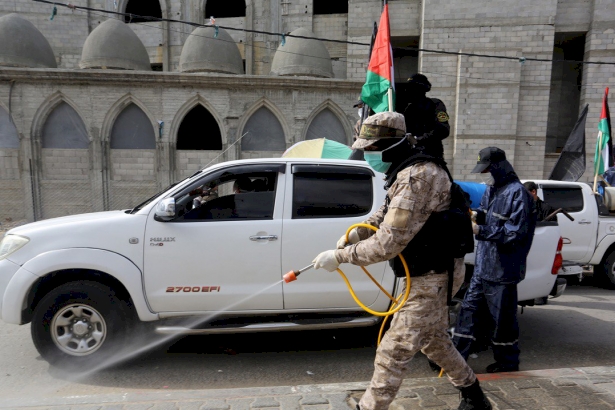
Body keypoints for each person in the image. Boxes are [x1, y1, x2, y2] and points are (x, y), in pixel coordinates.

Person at [312, 112, 491, 410]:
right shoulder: (404, 171)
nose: (368, 154)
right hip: (428, 272)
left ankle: (369, 407)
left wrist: (340, 257)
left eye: (372, 148)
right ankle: (474, 395)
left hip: (435, 274)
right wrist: (354, 234)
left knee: (393, 349)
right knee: (434, 341)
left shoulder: (418, 176)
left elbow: (387, 244)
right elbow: (383, 215)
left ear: (392, 145)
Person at [453, 147, 536, 374]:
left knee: (502, 320)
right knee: (467, 310)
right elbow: (487, 214)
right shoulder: (492, 190)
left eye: (488, 168)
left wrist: (479, 229)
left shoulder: (518, 194)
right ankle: (455, 358)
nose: (486, 173)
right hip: (482, 266)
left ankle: (508, 362)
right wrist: (475, 215)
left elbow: (514, 233)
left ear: (500, 165)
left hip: (503, 270)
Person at [403, 74, 450, 159]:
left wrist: (419, 139)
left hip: (432, 154)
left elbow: (444, 129)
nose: (409, 91)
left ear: (421, 89)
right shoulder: (409, 109)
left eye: (413, 87)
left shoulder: (435, 104)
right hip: (412, 155)